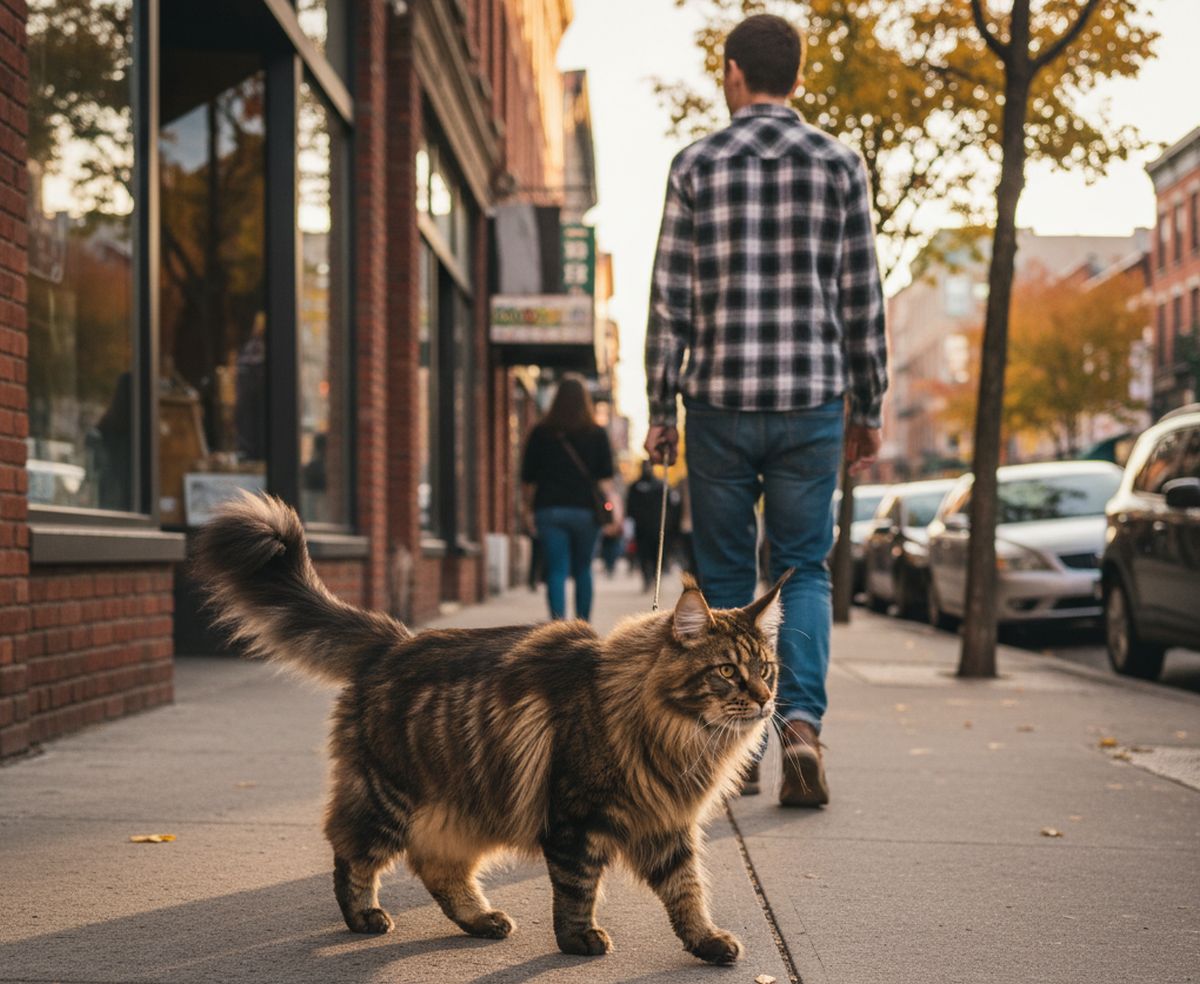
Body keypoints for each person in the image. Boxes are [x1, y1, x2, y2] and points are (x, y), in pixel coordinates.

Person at [643, 14, 887, 807]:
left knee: (723, 575)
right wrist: (869, 403)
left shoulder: (696, 163)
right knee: (803, 568)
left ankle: (733, 748)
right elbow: (862, 295)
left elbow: (669, 299)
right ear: (798, 77)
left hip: (717, 401)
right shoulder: (839, 163)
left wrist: (660, 404)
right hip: (811, 400)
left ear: (733, 72)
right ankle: (801, 730)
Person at [520, 375, 619, 621]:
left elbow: (528, 479)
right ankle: (582, 627)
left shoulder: (541, 432)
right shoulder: (596, 433)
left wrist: (527, 510)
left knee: (556, 570)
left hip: (549, 509)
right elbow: (606, 479)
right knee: (584, 569)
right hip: (586, 511)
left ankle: (558, 629)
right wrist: (614, 509)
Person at [625, 460, 666, 591]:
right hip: (642, 527)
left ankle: (654, 577)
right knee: (643, 554)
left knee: (654, 554)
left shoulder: (659, 486)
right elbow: (630, 507)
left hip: (655, 527)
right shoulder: (635, 487)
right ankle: (647, 578)